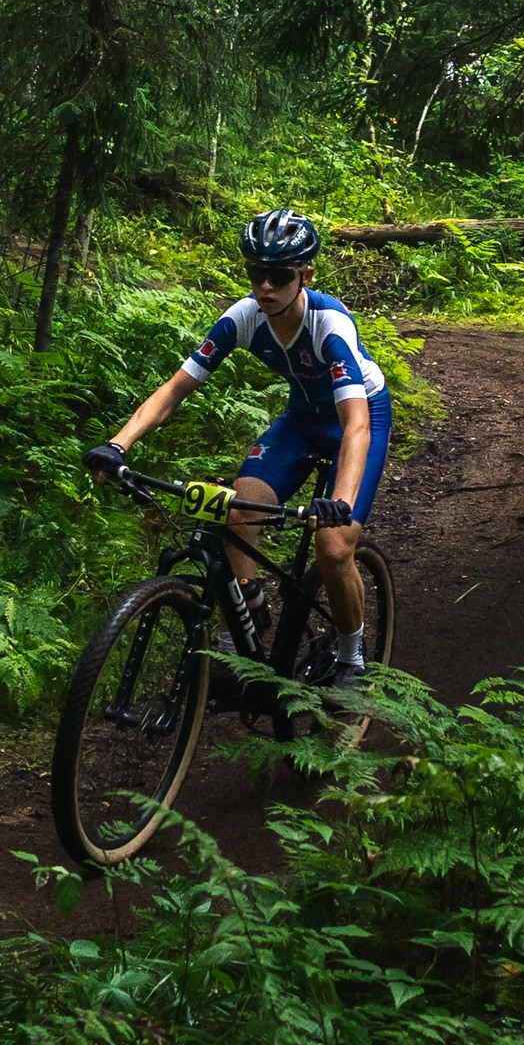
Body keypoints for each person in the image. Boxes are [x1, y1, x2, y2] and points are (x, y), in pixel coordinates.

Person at [82, 209, 389, 691]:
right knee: (240, 506)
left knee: (333, 548)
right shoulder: (244, 318)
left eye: (279, 275)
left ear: (306, 275)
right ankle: (242, 627)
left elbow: (356, 426)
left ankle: (352, 657)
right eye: (255, 273)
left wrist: (341, 503)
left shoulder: (328, 325)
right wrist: (118, 444)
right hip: (301, 420)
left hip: (359, 418)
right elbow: (174, 390)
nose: (265, 287)